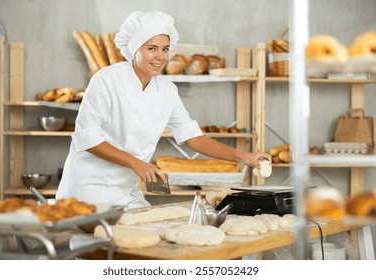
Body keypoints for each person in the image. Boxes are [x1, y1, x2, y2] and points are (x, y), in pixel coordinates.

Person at [56, 11, 271, 209]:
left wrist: (245, 157)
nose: (160, 57)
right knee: (90, 249)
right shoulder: (106, 80)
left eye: (165, 49)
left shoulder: (167, 90)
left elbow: (194, 138)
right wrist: (136, 163)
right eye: (152, 48)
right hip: (86, 190)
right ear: (134, 49)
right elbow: (87, 138)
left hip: (124, 190)